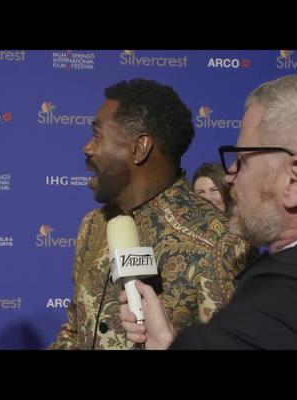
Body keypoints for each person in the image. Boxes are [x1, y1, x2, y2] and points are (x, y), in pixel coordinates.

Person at [49, 78, 254, 350]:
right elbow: (74, 331)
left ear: (139, 147)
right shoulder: (93, 225)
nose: (88, 148)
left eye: (98, 135)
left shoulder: (222, 241)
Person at [120, 74, 297, 350]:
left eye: (242, 161)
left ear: (292, 181)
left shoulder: (280, 293)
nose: (229, 177)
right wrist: (167, 341)